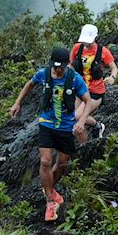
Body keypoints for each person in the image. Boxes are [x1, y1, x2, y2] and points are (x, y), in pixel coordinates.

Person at [8, 46, 94, 221]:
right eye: (55, 67)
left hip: (65, 127)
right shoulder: (44, 74)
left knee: (62, 164)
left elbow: (88, 101)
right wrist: (17, 103)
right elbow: (29, 85)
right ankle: (50, 199)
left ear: (66, 64)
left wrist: (82, 121)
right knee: (45, 161)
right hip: (46, 124)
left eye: (60, 67)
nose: (57, 70)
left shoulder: (74, 79)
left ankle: (49, 189)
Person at [70, 23, 116, 140]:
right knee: (71, 117)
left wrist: (112, 77)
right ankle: (87, 140)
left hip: (95, 91)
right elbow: (70, 65)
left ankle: (97, 128)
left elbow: (114, 68)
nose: (86, 43)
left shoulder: (103, 51)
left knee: (79, 116)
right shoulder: (77, 48)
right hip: (80, 89)